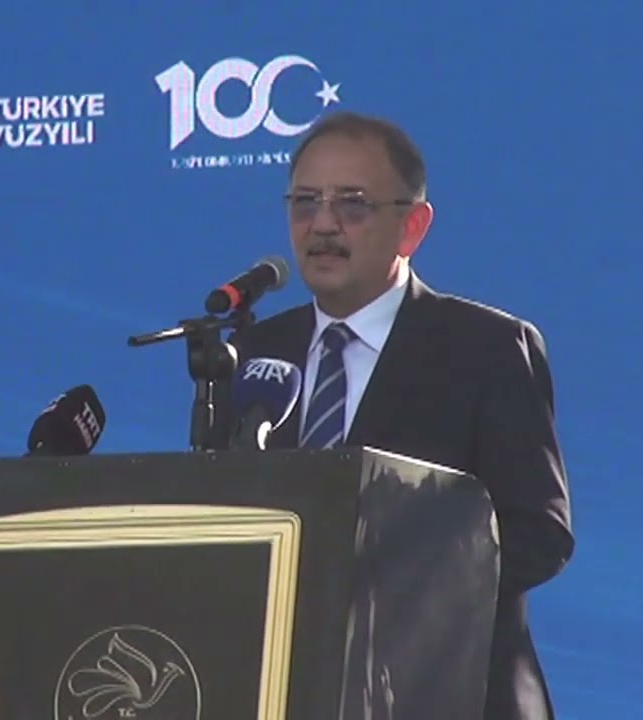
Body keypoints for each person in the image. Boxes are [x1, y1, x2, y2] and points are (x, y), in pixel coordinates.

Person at [227, 111, 575, 720]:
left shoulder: (487, 348)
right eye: (305, 202)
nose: (323, 224)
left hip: (452, 693)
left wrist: (382, 589)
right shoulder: (256, 353)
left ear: (412, 226)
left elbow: (537, 533)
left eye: (352, 204)